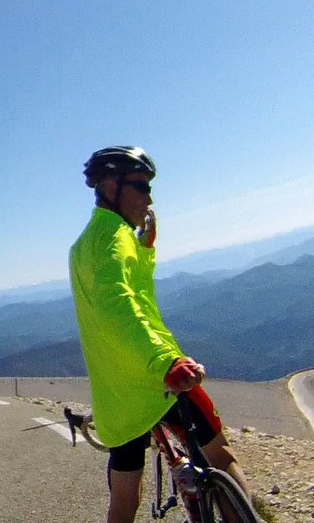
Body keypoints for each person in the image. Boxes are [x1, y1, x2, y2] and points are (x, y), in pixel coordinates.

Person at [69, 146, 252, 523]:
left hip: (116, 398)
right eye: (140, 186)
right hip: (155, 382)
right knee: (221, 456)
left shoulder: (85, 244)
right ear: (109, 186)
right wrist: (164, 362)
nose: (149, 197)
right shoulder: (115, 238)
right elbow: (119, 307)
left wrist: (145, 249)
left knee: (123, 501)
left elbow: (126, 290)